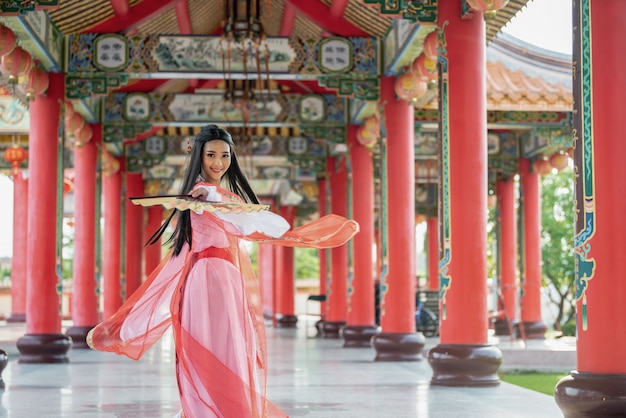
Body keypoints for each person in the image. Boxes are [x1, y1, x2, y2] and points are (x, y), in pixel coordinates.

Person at [87, 124, 359, 418]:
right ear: (198, 157)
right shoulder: (203, 194)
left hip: (223, 278)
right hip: (207, 279)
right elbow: (228, 233)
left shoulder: (217, 197)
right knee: (212, 347)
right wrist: (131, 321)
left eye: (225, 156)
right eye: (211, 155)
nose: (218, 162)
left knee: (229, 348)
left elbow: (240, 228)